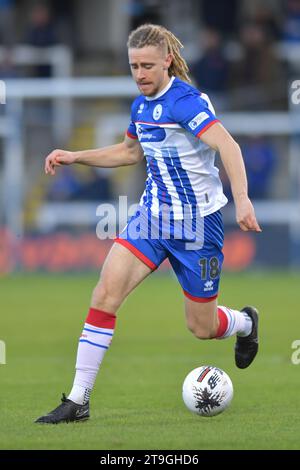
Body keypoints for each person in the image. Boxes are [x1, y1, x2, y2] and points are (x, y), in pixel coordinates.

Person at [35, 24, 262, 424]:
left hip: (197, 228)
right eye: (133, 66)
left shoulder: (186, 102)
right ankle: (78, 399)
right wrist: (76, 155)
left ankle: (245, 322)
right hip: (152, 219)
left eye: (147, 66)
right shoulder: (140, 106)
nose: (139, 74)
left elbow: (228, 145)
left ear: (167, 62)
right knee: (104, 295)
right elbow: (127, 153)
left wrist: (242, 200)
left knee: (202, 327)